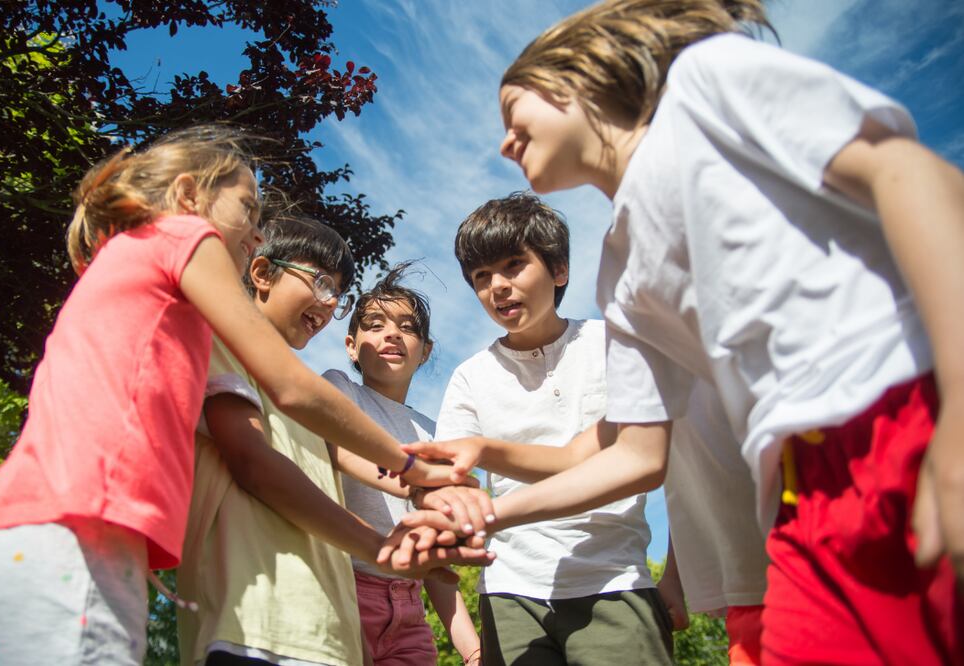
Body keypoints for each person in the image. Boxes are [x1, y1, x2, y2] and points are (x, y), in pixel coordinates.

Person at [400, 1, 964, 663]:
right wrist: (485, 515)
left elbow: (910, 173)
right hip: (795, 490)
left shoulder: (705, 84)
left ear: (576, 82)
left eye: (513, 111)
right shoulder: (621, 269)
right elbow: (636, 456)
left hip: (903, 413)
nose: (504, 141)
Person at [0, 125, 468, 665]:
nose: (257, 235)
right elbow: (288, 388)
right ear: (189, 196)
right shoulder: (181, 237)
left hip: (1, 540)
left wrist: (417, 480)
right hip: (72, 540)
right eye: (249, 211)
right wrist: (407, 466)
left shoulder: (159, 300)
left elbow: (321, 436)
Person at [177, 219, 490, 666]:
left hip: (330, 617)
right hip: (255, 618)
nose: (328, 302)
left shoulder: (301, 395)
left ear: (426, 349)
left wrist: (429, 485)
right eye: (321, 282)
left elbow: (342, 458)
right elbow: (266, 460)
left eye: (336, 294)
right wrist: (390, 531)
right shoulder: (306, 384)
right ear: (261, 272)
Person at [435, 193, 672, 665]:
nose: (497, 286)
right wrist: (440, 505)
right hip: (510, 590)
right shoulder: (470, 376)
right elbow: (446, 477)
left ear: (559, 269)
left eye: (513, 265)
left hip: (614, 577)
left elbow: (660, 461)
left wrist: (677, 578)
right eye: (482, 277)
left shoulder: (614, 345)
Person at [323, 264, 483, 666]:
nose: (391, 333)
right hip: (343, 590)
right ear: (350, 345)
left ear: (425, 350)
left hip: (409, 611)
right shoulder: (340, 390)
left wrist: (473, 649)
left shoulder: (434, 434)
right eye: (374, 325)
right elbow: (337, 451)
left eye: (407, 327)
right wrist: (412, 481)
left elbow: (437, 567)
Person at [659, 381, 768, 665]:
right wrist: (673, 575)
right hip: (748, 590)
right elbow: (691, 486)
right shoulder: (641, 356)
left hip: (822, 556)